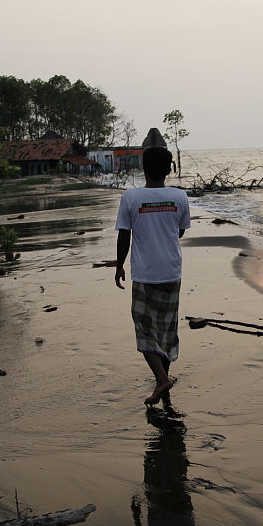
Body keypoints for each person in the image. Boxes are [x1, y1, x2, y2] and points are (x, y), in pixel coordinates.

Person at [114, 146, 191, 407]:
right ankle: (165, 375)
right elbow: (178, 232)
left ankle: (161, 379)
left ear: (143, 168)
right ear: (169, 170)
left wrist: (119, 265)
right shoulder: (180, 197)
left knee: (145, 329)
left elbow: (124, 234)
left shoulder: (131, 197)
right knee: (167, 329)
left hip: (145, 275)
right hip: (171, 271)